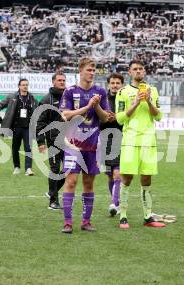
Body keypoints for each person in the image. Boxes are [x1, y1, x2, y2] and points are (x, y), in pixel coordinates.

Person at [59, 58, 109, 234]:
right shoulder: (70, 91)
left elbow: (105, 118)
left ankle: (86, 221)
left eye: (94, 70)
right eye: (89, 69)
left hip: (93, 145)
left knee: (89, 183)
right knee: (71, 181)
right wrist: (87, 107)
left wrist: (96, 107)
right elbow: (65, 114)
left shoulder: (100, 92)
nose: (92, 72)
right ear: (80, 71)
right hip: (73, 145)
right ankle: (67, 222)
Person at [115, 60, 165, 229]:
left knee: (146, 179)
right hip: (130, 141)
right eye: (135, 69)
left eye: (141, 68)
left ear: (144, 71)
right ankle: (123, 215)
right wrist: (136, 102)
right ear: (130, 72)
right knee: (127, 178)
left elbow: (158, 117)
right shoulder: (123, 92)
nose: (138, 71)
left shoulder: (154, 91)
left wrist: (149, 101)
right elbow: (120, 118)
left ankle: (147, 216)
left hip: (148, 141)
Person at [0, 79, 39, 176]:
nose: (25, 86)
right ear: (19, 86)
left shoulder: (31, 98)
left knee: (29, 148)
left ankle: (28, 169)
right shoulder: (12, 97)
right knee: (15, 148)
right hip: (16, 127)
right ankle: (17, 167)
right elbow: (1, 104)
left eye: (26, 85)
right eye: (23, 85)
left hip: (28, 127)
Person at [36, 72, 67, 210]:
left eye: (64, 80)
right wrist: (41, 142)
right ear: (53, 82)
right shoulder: (46, 100)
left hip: (69, 140)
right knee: (55, 169)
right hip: (53, 140)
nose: (62, 82)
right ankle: (53, 201)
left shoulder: (69, 97)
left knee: (69, 170)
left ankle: (51, 192)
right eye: (59, 80)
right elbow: (39, 122)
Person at [100, 73, 124, 217]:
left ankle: (114, 203)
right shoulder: (103, 100)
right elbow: (97, 119)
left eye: (118, 83)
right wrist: (105, 119)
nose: (115, 85)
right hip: (105, 141)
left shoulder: (125, 99)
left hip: (121, 139)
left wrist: (117, 118)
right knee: (109, 175)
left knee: (117, 174)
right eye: (113, 83)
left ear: (122, 84)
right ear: (109, 84)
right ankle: (117, 203)